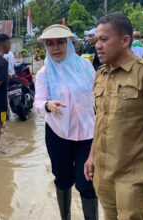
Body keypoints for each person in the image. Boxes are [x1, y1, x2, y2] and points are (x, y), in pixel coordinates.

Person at [84, 14, 143, 220]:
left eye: (104, 39)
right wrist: (91, 155)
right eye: (97, 40)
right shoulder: (101, 74)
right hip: (103, 170)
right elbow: (100, 119)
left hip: (133, 174)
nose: (98, 46)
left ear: (125, 40)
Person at [34, 24, 98, 220]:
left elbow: (98, 98)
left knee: (87, 181)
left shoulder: (86, 66)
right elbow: (37, 102)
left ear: (69, 43)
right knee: (62, 179)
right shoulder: (43, 73)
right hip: (58, 133)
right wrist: (47, 105)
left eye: (60, 42)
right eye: (50, 44)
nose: (55, 48)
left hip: (87, 133)